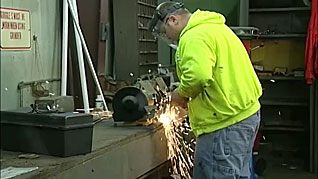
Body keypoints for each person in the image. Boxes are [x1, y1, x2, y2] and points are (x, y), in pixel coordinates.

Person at [148, 1, 262, 179]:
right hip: (244, 117)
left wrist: (179, 96)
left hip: (224, 126)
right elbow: (216, 72)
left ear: (172, 20)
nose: (168, 38)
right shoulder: (213, 27)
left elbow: (198, 77)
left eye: (164, 32)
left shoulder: (193, 36)